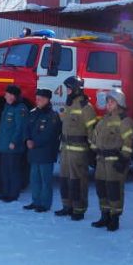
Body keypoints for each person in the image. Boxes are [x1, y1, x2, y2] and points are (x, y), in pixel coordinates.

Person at [89, 87, 133, 232]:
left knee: (114, 190)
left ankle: (114, 219)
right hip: (101, 161)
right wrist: (93, 151)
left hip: (115, 162)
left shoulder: (125, 121)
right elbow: (94, 138)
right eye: (108, 102)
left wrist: (123, 160)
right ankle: (105, 216)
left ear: (119, 103)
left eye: (112, 102)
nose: (108, 104)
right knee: (101, 189)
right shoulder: (103, 120)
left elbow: (129, 142)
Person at [56, 76, 97, 221]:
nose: (67, 91)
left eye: (69, 88)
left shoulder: (86, 107)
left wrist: (94, 150)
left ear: (76, 89)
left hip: (78, 151)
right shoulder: (69, 105)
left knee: (78, 180)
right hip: (66, 150)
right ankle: (67, 206)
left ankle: (79, 209)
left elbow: (92, 130)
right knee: (65, 179)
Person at [24, 89, 62, 212]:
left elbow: (49, 135)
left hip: (46, 153)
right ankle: (36, 201)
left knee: (45, 180)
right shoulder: (33, 113)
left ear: (47, 100)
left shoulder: (52, 116)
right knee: (34, 179)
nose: (37, 101)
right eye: (37, 98)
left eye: (40, 99)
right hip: (34, 153)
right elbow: (27, 128)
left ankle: (45, 204)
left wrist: (34, 142)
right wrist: (27, 139)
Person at [0, 84, 28, 203]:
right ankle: (5, 193)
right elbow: (3, 126)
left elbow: (20, 128)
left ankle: (13, 194)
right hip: (4, 145)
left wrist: (14, 141)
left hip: (13, 146)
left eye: (7, 94)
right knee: (5, 170)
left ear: (13, 96)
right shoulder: (8, 107)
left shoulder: (20, 108)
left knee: (13, 170)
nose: (5, 96)